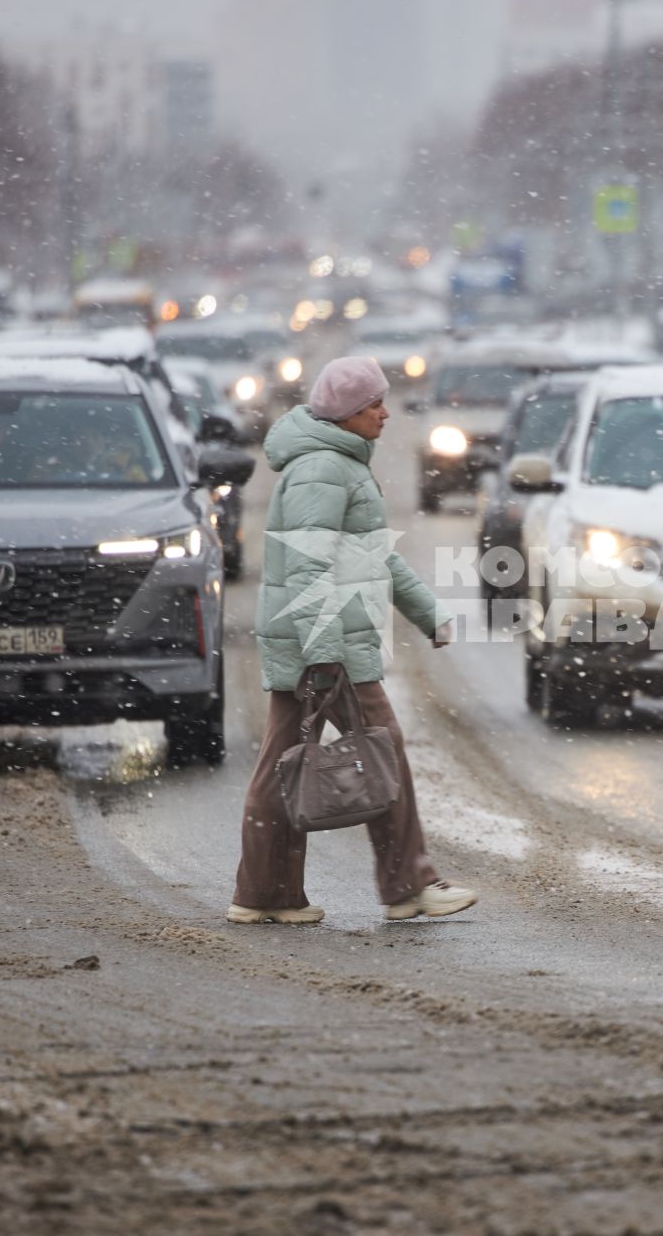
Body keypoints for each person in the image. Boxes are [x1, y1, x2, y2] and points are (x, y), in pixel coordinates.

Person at [230, 356, 476, 925]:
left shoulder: (335, 463)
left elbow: (376, 557)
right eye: (373, 405)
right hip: (331, 644)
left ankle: (265, 895)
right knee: (381, 752)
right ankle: (409, 886)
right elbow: (308, 568)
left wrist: (428, 614)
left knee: (281, 766)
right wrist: (323, 655)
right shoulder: (324, 469)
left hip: (318, 640)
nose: (385, 414)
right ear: (345, 414)